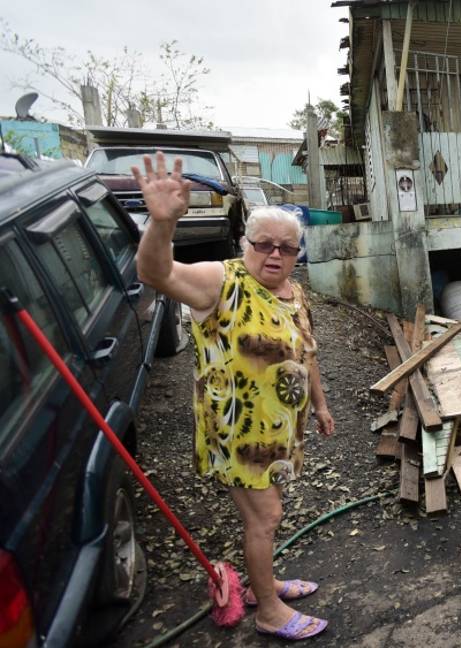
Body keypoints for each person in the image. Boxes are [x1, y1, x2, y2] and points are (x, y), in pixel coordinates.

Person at [134, 152, 335, 640]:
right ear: (245, 242)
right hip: (238, 433)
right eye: (263, 243)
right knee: (265, 516)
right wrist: (162, 225)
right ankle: (267, 610)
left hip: (279, 431)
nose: (274, 254)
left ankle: (265, 581)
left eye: (286, 248)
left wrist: (321, 403)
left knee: (269, 512)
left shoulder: (293, 291)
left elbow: (305, 352)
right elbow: (156, 273)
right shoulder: (221, 282)